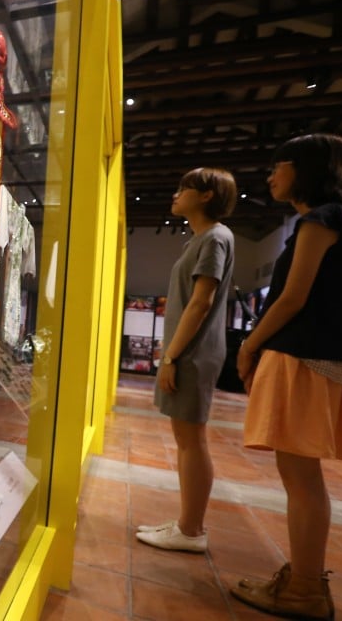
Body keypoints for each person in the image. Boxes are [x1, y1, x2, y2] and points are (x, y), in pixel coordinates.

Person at [230, 134, 342, 621]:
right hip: (314, 357)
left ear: (302, 168)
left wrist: (249, 344)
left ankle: (306, 588)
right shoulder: (337, 221)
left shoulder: (321, 220)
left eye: (278, 167)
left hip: (302, 358)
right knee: (302, 476)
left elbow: (291, 297)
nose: (270, 177)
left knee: (301, 476)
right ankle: (304, 580)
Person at [136, 167, 236, 553]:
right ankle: (186, 522)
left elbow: (201, 301)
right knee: (186, 439)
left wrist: (171, 356)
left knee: (191, 439)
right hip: (190, 352)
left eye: (184, 188)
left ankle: (191, 529)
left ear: (207, 195)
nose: (176, 195)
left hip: (194, 354)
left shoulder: (214, 238)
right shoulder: (202, 239)